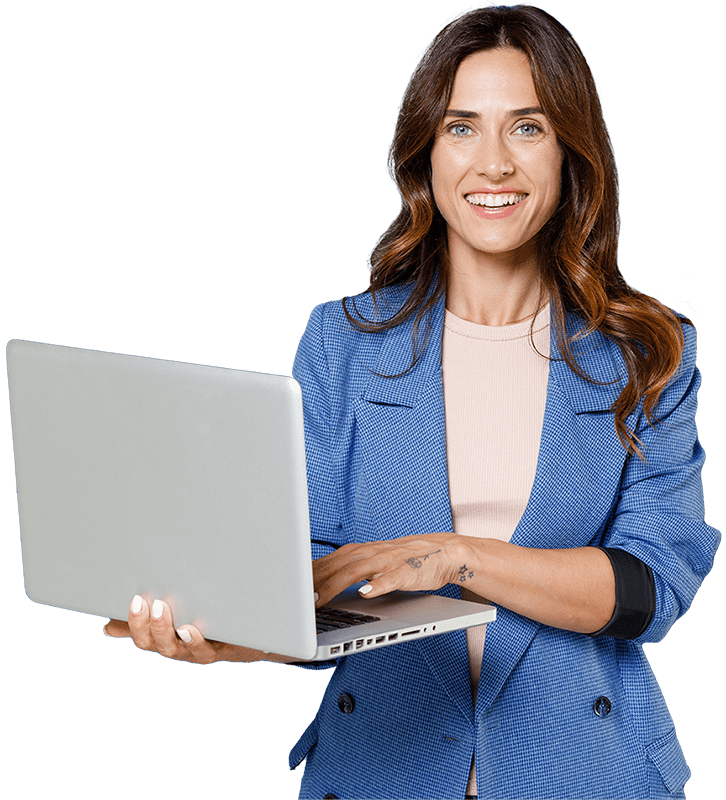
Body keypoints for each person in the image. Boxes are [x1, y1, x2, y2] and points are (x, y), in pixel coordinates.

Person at [106, 5, 720, 799]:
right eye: (462, 128)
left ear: (572, 153)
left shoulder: (648, 351)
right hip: (378, 769)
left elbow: (650, 588)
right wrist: (233, 638)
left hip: (583, 769)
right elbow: (313, 579)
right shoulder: (344, 343)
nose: (492, 163)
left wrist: (460, 555)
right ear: (424, 156)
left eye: (527, 128)